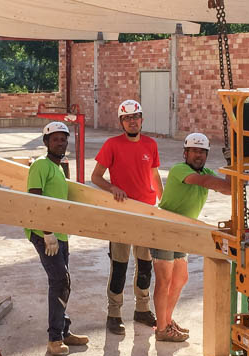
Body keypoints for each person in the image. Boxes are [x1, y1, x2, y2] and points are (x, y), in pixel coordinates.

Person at [91, 99, 162, 335]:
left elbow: (154, 175)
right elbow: (96, 177)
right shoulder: (112, 145)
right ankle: (114, 313)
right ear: (121, 122)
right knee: (119, 266)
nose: (132, 121)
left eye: (136, 117)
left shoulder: (151, 144)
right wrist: (112, 188)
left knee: (145, 265)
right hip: (121, 213)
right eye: (127, 118)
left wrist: (164, 203)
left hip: (146, 213)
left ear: (142, 119)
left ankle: (142, 309)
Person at [152, 133, 231, 342]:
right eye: (194, 151)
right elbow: (205, 182)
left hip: (183, 230)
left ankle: (166, 321)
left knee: (181, 278)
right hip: (165, 228)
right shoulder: (180, 170)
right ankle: (161, 329)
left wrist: (233, 164)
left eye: (202, 152)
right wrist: (229, 174)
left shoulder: (206, 171)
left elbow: (227, 189)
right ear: (185, 153)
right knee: (164, 280)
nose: (198, 155)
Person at [26, 121, 89, 356]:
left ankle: (63, 331)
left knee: (64, 282)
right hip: (45, 234)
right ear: (46, 142)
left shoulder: (60, 166)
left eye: (64, 139)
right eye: (55, 139)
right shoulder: (41, 165)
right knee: (59, 281)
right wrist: (46, 232)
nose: (61, 143)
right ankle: (55, 339)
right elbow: (35, 201)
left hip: (60, 233)